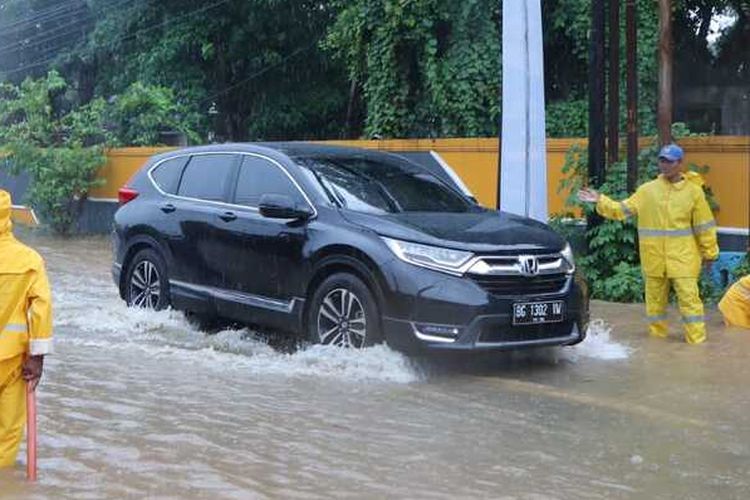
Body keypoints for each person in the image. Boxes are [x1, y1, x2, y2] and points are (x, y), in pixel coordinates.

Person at [578, 143, 718, 344]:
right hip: (654, 259)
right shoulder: (647, 190)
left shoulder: (693, 192)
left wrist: (710, 254)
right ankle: (657, 343)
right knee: (655, 308)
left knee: (690, 303)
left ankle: (697, 343)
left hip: (683, 259)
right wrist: (600, 200)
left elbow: (704, 226)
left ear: (680, 163)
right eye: (662, 160)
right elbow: (622, 210)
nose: (665, 165)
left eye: (669, 161)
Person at [0, 189, 53, 468]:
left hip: (12, 361)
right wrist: (38, 356)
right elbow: (41, 309)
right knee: (7, 434)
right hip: (12, 362)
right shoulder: (29, 260)